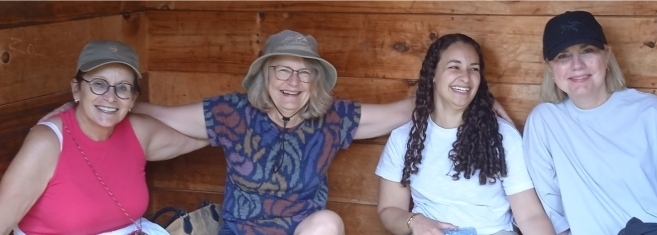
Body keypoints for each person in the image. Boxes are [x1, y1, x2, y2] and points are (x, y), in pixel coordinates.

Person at [37, 30, 512, 235]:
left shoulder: (332, 118)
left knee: (328, 223)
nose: (293, 82)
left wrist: (469, 94)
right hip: (240, 232)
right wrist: (108, 103)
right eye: (282, 71)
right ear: (264, 76)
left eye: (304, 73)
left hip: (301, 231)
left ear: (316, 82)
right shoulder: (232, 112)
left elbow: (400, 111)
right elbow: (164, 115)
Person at [523, 11, 657, 235]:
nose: (577, 64)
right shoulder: (544, 121)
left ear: (606, 55)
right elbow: (555, 216)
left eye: (587, 51)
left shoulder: (654, 112)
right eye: (563, 55)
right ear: (550, 68)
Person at [0, 40, 208, 235]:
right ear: (76, 89)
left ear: (134, 98)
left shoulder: (138, 131)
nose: (110, 97)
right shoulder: (47, 142)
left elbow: (209, 132)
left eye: (123, 88)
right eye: (99, 84)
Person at [375, 33, 555, 235]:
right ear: (433, 73)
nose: (466, 77)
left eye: (474, 69)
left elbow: (530, 216)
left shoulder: (503, 137)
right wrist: (414, 221)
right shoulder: (404, 138)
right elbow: (389, 210)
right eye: (454, 66)